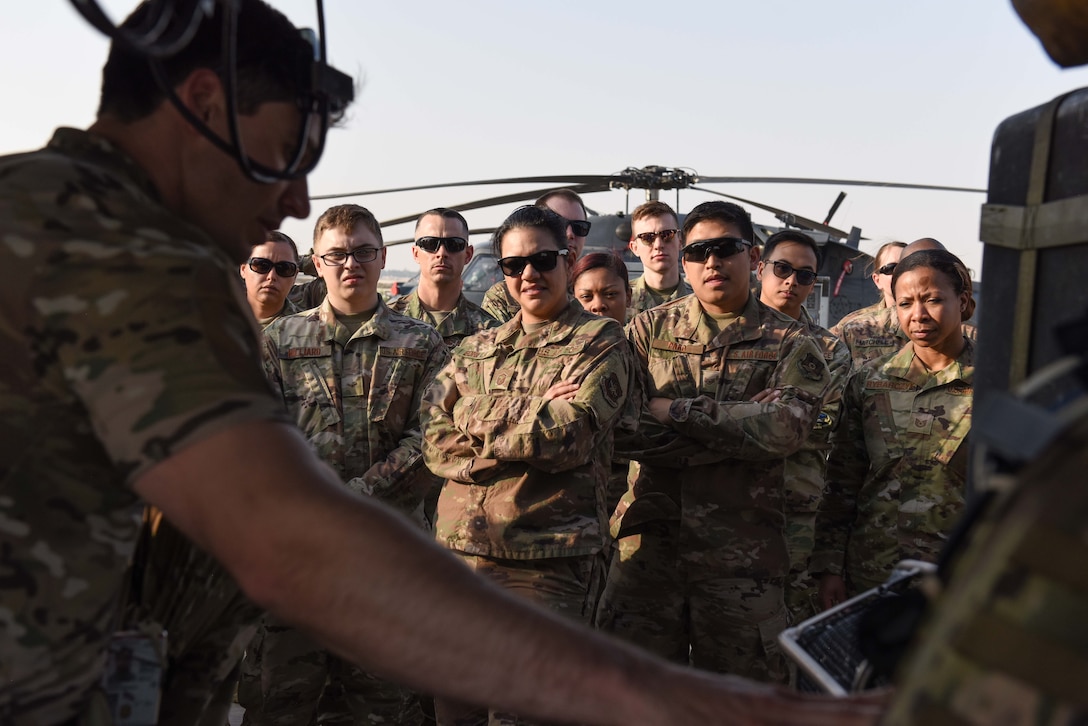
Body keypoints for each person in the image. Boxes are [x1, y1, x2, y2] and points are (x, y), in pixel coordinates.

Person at [0, 1, 888, 724]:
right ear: (202, 101)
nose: (296, 196)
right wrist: (690, 703)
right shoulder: (135, 256)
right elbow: (297, 546)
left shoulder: (32, 204)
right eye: (287, 150)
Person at [420, 206, 643, 725]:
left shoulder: (601, 341)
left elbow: (567, 435)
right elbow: (433, 439)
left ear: (567, 260)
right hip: (459, 557)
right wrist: (533, 406)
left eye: (542, 259)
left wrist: (471, 409)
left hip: (547, 560)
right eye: (513, 264)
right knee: (456, 712)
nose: (528, 275)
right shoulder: (479, 345)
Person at [597, 201, 833, 684]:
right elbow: (621, 428)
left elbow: (785, 430)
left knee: (744, 705)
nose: (712, 261)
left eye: (725, 248)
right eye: (699, 250)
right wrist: (740, 430)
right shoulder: (647, 330)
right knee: (628, 697)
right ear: (684, 260)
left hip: (743, 559)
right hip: (648, 551)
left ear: (753, 256)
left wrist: (676, 410)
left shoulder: (792, 342)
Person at [244, 203, 449, 725]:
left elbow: (432, 438)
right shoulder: (279, 340)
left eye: (362, 252)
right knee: (282, 703)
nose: (349, 263)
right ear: (317, 262)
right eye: (336, 254)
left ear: (382, 258)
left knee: (378, 706)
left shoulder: (420, 343)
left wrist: (355, 499)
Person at [812, 249, 976, 607]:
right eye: (905, 303)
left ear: (962, 301)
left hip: (963, 580)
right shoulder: (870, 381)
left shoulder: (999, 384)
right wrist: (829, 567)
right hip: (874, 573)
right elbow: (841, 483)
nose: (917, 314)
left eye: (932, 300)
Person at [756, 230, 852, 622]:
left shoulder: (831, 351)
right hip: (718, 508)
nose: (791, 281)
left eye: (805, 275)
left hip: (791, 509)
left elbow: (824, 424)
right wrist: (767, 413)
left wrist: (738, 415)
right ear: (760, 269)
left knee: (787, 629)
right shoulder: (723, 335)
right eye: (782, 269)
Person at [389, 207, 498, 347]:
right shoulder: (383, 323)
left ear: (468, 254)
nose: (441, 253)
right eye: (430, 243)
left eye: (453, 244)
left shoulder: (491, 333)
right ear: (416, 253)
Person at [481, 189, 591, 322]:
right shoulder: (505, 295)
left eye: (579, 227)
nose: (569, 234)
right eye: (559, 224)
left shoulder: (601, 287)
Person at [830, 240, 906, 366]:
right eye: (891, 268)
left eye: (906, 267)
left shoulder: (936, 323)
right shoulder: (853, 327)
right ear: (877, 280)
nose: (899, 274)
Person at [626, 200, 692, 318]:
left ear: (680, 242)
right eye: (647, 237)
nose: (658, 245)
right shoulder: (620, 299)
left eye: (667, 235)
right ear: (634, 248)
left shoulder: (701, 297)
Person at [241, 230, 301, 326]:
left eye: (284, 268)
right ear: (243, 270)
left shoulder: (310, 331)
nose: (271, 276)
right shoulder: (214, 320)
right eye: (261, 265)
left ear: (295, 276)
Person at [572, 250, 633, 326]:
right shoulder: (558, 337)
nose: (598, 305)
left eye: (610, 294)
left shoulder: (644, 334)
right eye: (586, 296)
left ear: (628, 297)